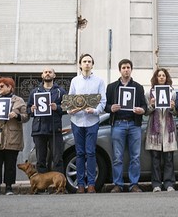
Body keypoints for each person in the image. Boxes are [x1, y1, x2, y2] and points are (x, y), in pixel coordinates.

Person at [105, 58, 147, 193]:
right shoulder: (112, 87)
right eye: (123, 67)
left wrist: (142, 110)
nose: (126, 70)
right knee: (117, 157)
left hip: (134, 125)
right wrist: (111, 108)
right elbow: (105, 105)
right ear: (120, 70)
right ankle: (118, 184)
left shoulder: (138, 87)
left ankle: (134, 184)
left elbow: (144, 105)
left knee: (135, 156)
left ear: (131, 69)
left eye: (128, 67)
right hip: (118, 124)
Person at [68, 53, 107, 193]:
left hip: (92, 121)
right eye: (84, 61)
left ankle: (91, 184)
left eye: (89, 61)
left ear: (92, 64)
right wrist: (70, 110)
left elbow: (103, 101)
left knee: (90, 152)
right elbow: (70, 100)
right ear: (80, 64)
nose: (87, 64)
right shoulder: (75, 81)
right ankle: (80, 185)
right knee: (79, 153)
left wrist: (95, 111)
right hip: (77, 120)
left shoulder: (99, 81)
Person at [0, 77, 30, 195]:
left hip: (12, 136)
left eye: (2, 86)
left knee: (10, 164)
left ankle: (9, 187)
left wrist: (16, 115)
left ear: (10, 87)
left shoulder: (19, 101)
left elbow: (26, 117)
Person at [27, 67, 67, 174]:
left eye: (50, 72)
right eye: (45, 72)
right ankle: (42, 188)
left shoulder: (61, 91)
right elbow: (27, 109)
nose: (48, 74)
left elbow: (67, 108)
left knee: (57, 159)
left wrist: (57, 108)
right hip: (39, 129)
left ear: (54, 75)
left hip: (55, 129)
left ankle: (59, 187)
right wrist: (31, 110)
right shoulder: (34, 92)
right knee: (40, 160)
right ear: (42, 75)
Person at [145, 68, 178, 192]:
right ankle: (156, 184)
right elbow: (146, 112)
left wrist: (173, 108)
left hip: (168, 130)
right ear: (156, 78)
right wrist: (152, 105)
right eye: (159, 75)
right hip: (155, 130)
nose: (161, 77)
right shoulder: (149, 93)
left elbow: (176, 113)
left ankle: (169, 184)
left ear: (167, 77)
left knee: (169, 159)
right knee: (155, 159)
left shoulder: (172, 93)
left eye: (163, 75)